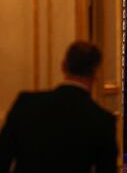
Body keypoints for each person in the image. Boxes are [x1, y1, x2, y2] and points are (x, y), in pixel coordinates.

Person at [0, 41, 118, 173]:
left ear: (63, 66)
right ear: (95, 74)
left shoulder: (26, 103)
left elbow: (3, 157)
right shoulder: (103, 121)